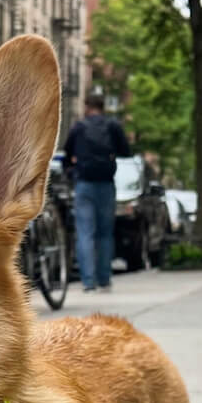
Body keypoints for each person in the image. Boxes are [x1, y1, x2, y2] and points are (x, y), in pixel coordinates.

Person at [63, 87, 132, 292]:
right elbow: (126, 151)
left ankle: (88, 282)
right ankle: (104, 279)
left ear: (87, 107)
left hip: (84, 184)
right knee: (105, 234)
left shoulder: (78, 127)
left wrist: (72, 169)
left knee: (85, 233)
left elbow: (67, 154)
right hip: (106, 184)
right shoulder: (113, 126)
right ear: (102, 107)